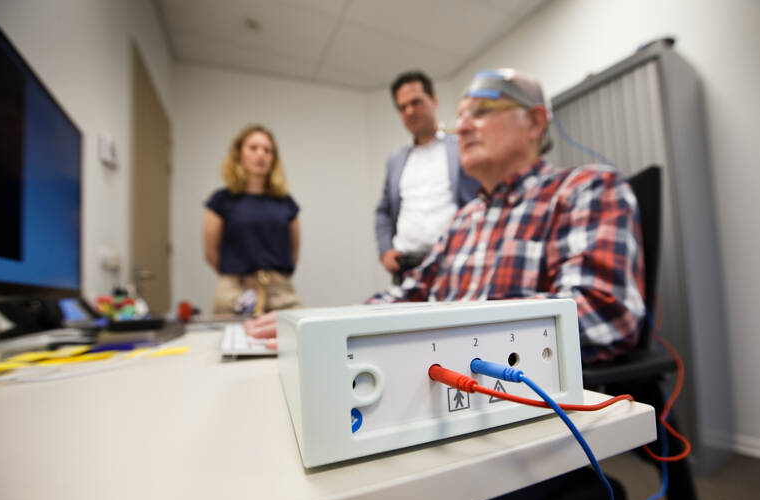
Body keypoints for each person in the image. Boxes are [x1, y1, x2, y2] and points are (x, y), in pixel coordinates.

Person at [248, 69, 645, 363]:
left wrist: (440, 337)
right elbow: (409, 294)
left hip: (525, 411)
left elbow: (601, 313)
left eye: (483, 111)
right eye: (461, 116)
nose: (463, 127)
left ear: (536, 122)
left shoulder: (584, 190)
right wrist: (321, 325)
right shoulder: (465, 220)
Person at [376, 70, 481, 284]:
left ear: (433, 101)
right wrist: (385, 250)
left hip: (454, 264)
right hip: (406, 268)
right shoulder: (396, 160)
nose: (410, 111)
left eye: (416, 102)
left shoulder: (461, 146)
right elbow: (383, 212)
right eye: (402, 107)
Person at [203, 124, 302, 315]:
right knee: (230, 342)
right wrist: (241, 277)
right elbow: (211, 254)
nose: (261, 155)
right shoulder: (221, 201)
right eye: (253, 148)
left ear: (273, 159)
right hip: (234, 293)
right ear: (239, 153)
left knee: (298, 337)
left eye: (267, 150)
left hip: (280, 293)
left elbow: (294, 253)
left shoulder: (286, 203)